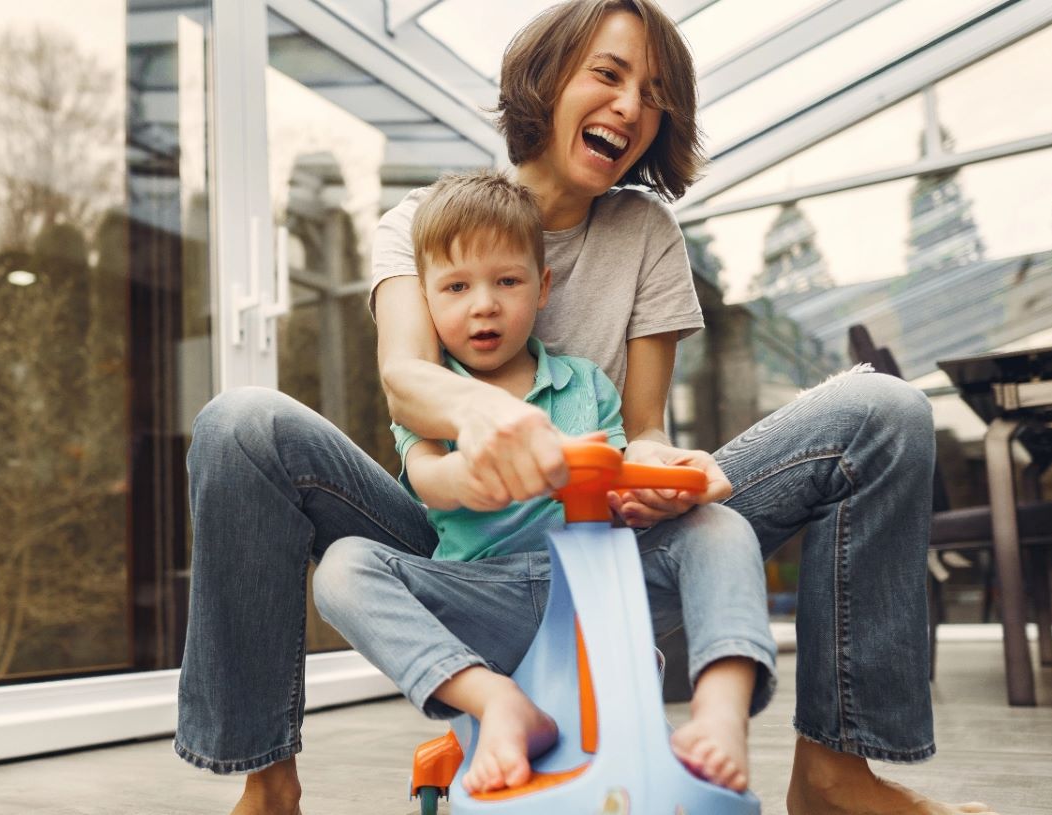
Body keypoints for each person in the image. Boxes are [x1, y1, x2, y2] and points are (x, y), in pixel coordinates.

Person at [177, 2, 997, 814]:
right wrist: (481, 421)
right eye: (608, 74)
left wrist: (659, 476)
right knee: (240, 424)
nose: (632, 106)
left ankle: (833, 777)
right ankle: (268, 782)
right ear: (546, 80)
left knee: (884, 410)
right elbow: (405, 379)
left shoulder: (646, 232)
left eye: (652, 93)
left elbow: (643, 427)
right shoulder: (419, 224)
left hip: (605, 542)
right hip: (451, 536)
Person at [311, 169, 775, 794]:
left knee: (720, 525)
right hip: (478, 595)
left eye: (507, 281)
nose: (484, 304)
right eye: (455, 286)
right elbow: (427, 481)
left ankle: (719, 713)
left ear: (543, 286)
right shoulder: (434, 399)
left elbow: (617, 481)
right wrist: (468, 474)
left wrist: (656, 489)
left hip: (592, 588)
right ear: (426, 299)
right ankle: (495, 701)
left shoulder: (586, 385)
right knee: (343, 567)